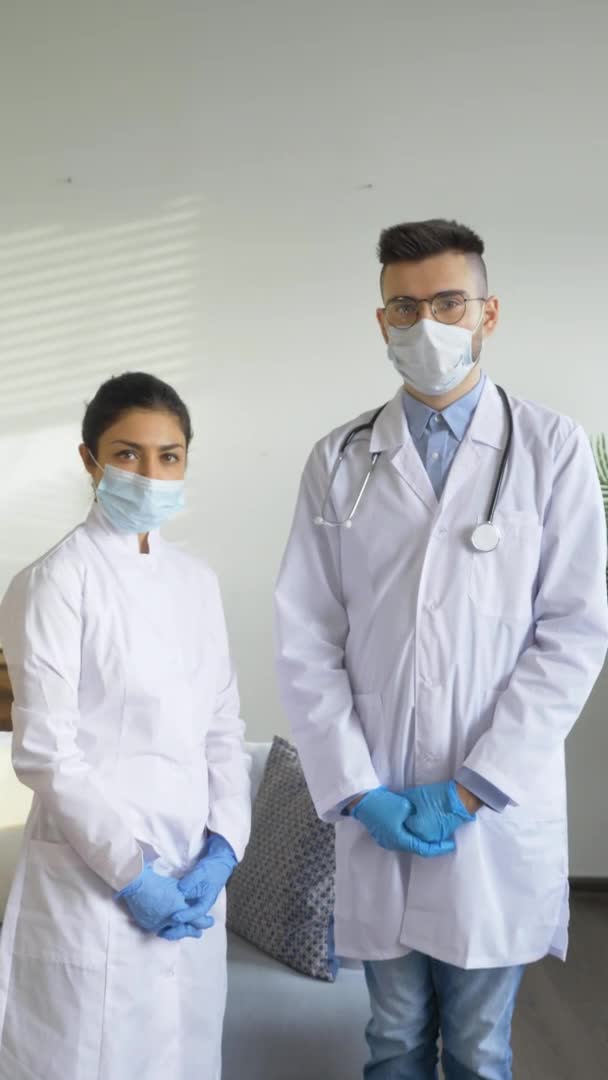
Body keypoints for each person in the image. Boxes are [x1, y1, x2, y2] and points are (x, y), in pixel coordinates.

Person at [274, 219, 608, 1079]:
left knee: (481, 1045)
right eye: (405, 306)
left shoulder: (551, 448)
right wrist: (359, 790)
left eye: (448, 301)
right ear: (381, 322)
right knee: (389, 1038)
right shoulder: (339, 458)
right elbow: (307, 637)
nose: (427, 324)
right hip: (377, 793)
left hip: (492, 805)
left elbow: (572, 633)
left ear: (488, 312)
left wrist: (469, 787)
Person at [0, 372, 250, 1080]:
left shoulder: (196, 582)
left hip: (193, 876)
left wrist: (226, 845)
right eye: (127, 454)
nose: (149, 473)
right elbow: (48, 754)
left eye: (168, 456)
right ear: (90, 461)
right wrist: (132, 874)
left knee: (183, 1057)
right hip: (94, 884)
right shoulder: (53, 582)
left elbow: (223, 727)